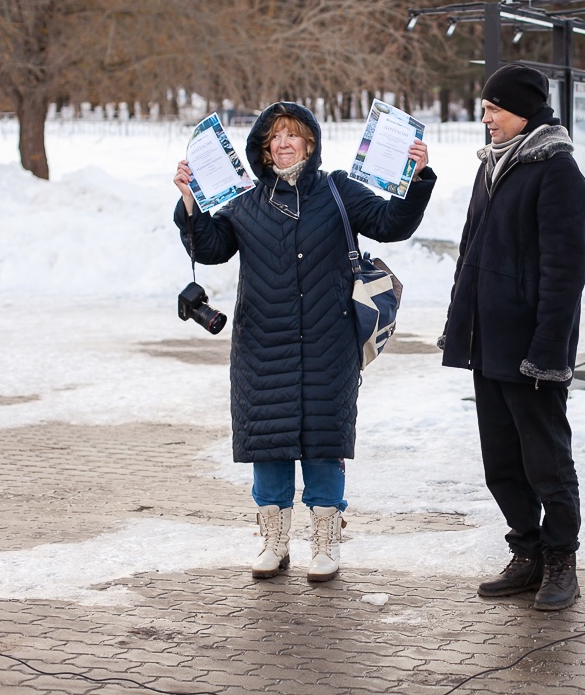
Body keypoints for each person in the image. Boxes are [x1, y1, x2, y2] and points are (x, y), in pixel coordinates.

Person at [173, 102, 435, 583]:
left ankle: (325, 543)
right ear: (264, 149)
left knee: (323, 442)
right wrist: (190, 199)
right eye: (274, 136)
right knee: (268, 445)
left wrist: (417, 179)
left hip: (327, 345)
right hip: (262, 348)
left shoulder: (338, 190)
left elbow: (391, 224)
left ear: (309, 143)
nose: (283, 142)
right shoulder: (247, 203)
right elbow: (207, 248)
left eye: (292, 134)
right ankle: (273, 542)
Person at [439, 64, 585, 611]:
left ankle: (560, 562)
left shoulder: (558, 173)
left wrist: (548, 351)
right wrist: (461, 325)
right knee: (501, 462)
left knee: (546, 462)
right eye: (485, 110)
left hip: (532, 351)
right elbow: (470, 255)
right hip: (489, 343)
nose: (485, 119)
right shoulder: (493, 168)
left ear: (522, 111)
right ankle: (527, 551)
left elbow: (564, 272)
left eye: (494, 109)